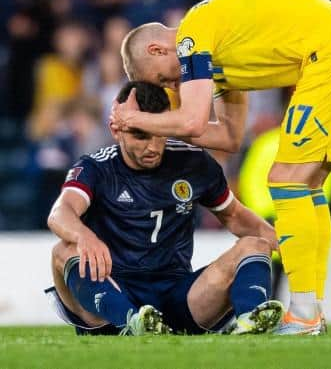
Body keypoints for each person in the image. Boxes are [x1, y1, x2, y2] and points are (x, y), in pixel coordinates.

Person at [112, 0, 331, 334]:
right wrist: (158, 128)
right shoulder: (220, 52)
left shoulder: (193, 36)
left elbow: (193, 120)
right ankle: (310, 311)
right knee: (307, 184)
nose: (170, 87)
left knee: (286, 179)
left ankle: (304, 313)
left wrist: (134, 120)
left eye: (161, 78)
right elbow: (227, 136)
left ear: (156, 49)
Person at [46, 81, 283, 336]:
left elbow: (236, 216)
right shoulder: (97, 167)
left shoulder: (192, 163)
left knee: (255, 245)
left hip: (177, 296)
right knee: (63, 251)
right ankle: (132, 321)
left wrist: (290, 249)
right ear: (117, 131)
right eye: (140, 135)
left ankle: (252, 321)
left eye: (159, 133)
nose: (153, 146)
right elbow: (61, 212)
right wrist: (85, 236)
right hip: (112, 292)